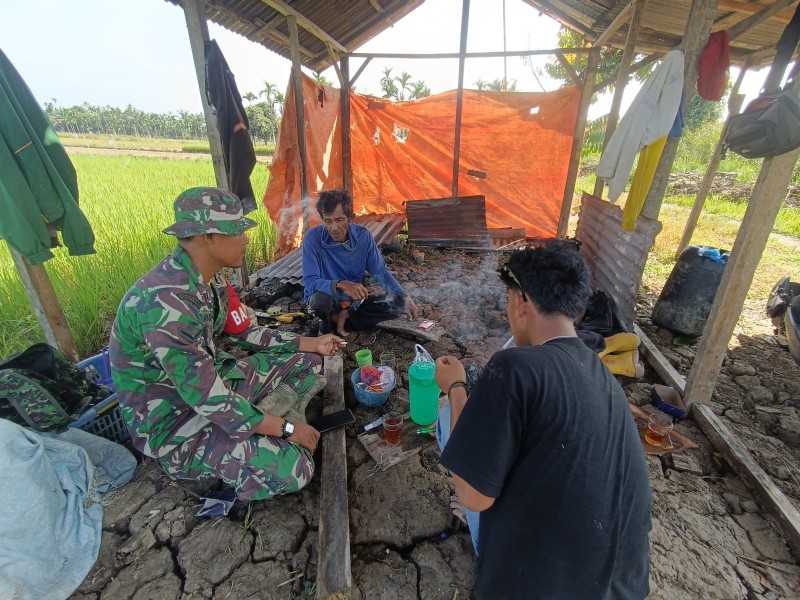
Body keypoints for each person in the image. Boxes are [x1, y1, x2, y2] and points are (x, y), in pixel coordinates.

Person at [434, 240, 652, 599]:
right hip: (622, 588)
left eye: (508, 300)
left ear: (521, 301)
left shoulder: (513, 366)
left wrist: (456, 385)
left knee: (449, 417)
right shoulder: (601, 372)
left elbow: (472, 496)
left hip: (536, 587)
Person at [109, 187, 346, 501]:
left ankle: (257, 422)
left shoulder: (211, 280)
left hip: (213, 386)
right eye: (237, 231)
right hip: (179, 422)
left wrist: (311, 343)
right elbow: (206, 397)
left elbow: (247, 332)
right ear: (208, 236)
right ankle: (249, 436)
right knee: (296, 468)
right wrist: (285, 429)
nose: (246, 239)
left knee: (308, 361)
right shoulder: (166, 305)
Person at [301, 189, 419, 336]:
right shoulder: (313, 238)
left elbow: (380, 272)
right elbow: (311, 282)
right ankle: (326, 326)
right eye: (328, 221)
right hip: (326, 299)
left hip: (351, 302)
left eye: (339, 220)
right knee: (320, 301)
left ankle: (344, 316)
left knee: (399, 304)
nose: (334, 228)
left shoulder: (363, 237)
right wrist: (340, 284)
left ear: (350, 218)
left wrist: (403, 295)